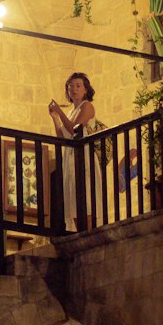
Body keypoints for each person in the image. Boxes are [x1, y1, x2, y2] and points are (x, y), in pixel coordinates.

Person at [48, 72, 102, 231]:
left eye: (78, 86)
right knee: (72, 195)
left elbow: (74, 130)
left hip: (83, 154)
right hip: (70, 156)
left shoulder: (87, 106)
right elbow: (62, 135)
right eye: (71, 86)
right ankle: (80, 231)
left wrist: (59, 110)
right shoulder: (72, 111)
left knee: (85, 194)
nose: (74, 89)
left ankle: (89, 231)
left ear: (85, 89)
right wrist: (55, 117)